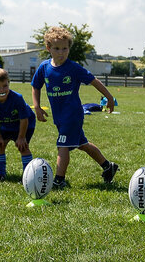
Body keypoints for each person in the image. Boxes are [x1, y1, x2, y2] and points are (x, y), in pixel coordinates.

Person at [31, 26, 119, 189]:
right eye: (57, 48)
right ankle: (108, 166)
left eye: (65, 48)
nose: (61, 52)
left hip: (72, 115)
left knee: (62, 145)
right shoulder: (44, 67)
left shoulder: (73, 68)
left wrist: (109, 98)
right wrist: (37, 106)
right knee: (82, 144)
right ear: (48, 48)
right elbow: (36, 86)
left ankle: (59, 179)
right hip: (59, 117)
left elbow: (94, 80)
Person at [0, 63, 35, 181]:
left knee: (23, 147)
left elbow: (24, 119)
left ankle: (28, 176)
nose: (2, 90)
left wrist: (21, 137)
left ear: (9, 83)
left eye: (5, 86)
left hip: (24, 124)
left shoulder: (17, 98)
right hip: (5, 124)